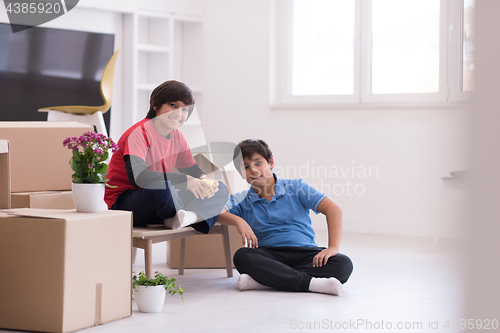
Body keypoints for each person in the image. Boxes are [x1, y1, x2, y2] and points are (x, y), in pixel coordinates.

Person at [217, 139, 353, 295]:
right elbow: (216, 212)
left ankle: (266, 281)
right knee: (242, 256)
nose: (253, 170)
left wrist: (333, 247)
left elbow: (333, 209)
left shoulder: (296, 187)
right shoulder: (241, 199)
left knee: (343, 264)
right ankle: (309, 283)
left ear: (271, 163)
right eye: (246, 167)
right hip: (269, 255)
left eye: (258, 163)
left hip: (305, 253)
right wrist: (238, 221)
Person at [105, 80, 228, 234]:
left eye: (185, 110)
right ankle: (180, 217)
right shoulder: (139, 133)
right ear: (156, 105)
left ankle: (188, 217)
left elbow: (192, 170)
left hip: (161, 201)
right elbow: (138, 178)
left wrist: (204, 180)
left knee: (220, 189)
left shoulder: (177, 137)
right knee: (163, 191)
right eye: (173, 105)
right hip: (124, 203)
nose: (179, 113)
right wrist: (185, 180)